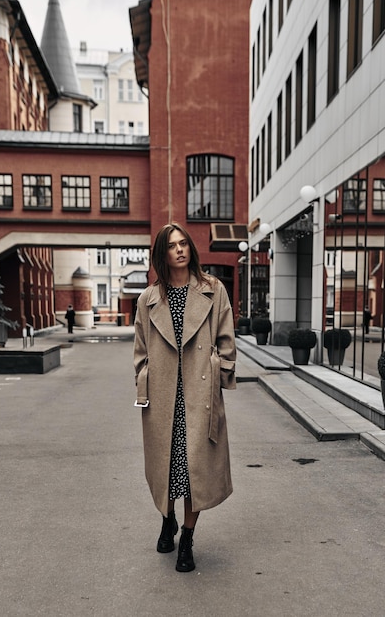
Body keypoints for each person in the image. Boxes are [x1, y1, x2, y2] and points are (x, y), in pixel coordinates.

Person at [133, 223, 236, 573]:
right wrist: (144, 381)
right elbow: (140, 351)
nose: (180, 250)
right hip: (163, 397)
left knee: (196, 471)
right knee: (165, 468)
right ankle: (168, 519)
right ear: (162, 255)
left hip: (198, 392)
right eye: (172, 246)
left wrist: (220, 379)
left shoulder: (213, 289)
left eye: (184, 244)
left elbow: (226, 339)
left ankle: (188, 539)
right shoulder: (147, 299)